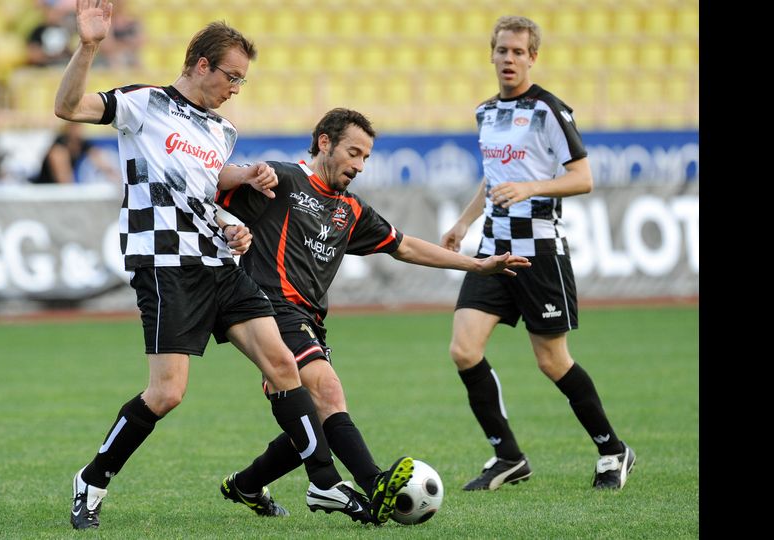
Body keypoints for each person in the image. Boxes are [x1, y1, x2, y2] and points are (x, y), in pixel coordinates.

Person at [53, 1, 386, 529]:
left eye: (243, 80)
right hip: (166, 263)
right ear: (201, 65)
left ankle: (323, 482)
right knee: (167, 392)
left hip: (219, 262)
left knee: (282, 364)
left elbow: (204, 181)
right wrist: (90, 45)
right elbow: (68, 106)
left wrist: (238, 194)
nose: (235, 87)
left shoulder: (221, 130)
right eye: (232, 76)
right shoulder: (144, 103)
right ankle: (92, 478)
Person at [214, 108, 531, 523]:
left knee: (314, 421)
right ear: (324, 142)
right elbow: (208, 185)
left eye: (366, 157)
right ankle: (374, 482)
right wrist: (230, 212)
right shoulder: (283, 180)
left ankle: (247, 484)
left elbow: (404, 245)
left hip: (309, 320)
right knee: (328, 393)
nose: (360, 166)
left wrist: (475, 264)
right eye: (354, 153)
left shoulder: (349, 209)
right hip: (269, 309)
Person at [440, 15, 635, 492]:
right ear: (491, 54)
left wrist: (531, 187)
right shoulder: (485, 112)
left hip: (540, 250)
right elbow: (492, 176)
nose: (509, 59)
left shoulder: (549, 110)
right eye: (502, 50)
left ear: (533, 58)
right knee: (464, 349)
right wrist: (465, 222)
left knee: (552, 361)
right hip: (493, 250)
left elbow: (583, 177)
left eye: (518, 52)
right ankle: (507, 457)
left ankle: (613, 450)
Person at [31, 122, 118, 184]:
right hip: (45, 189)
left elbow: (104, 164)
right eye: (75, 126)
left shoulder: (83, 144)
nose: (78, 130)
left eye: (80, 126)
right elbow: (64, 181)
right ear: (68, 128)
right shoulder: (59, 148)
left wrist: (116, 179)